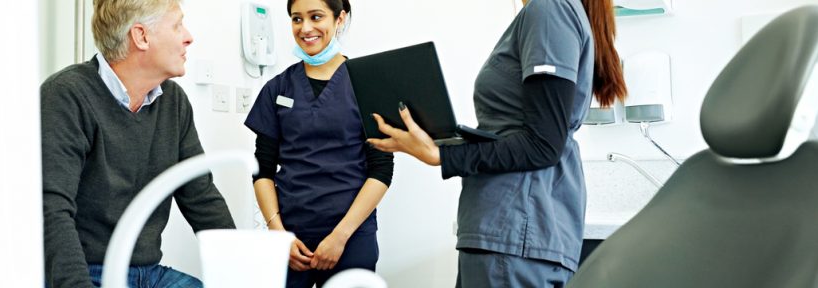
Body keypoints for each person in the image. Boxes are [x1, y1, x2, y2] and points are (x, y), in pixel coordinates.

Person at [367, 0, 627, 286]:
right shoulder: (550, 11)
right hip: (512, 230)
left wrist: (442, 155)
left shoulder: (550, 9)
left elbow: (542, 145)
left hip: (514, 230)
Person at [41, 0, 235, 287]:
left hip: (151, 274)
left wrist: (243, 267)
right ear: (141, 36)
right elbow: (52, 207)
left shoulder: (174, 102)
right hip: (89, 273)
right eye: (177, 25)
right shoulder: (67, 96)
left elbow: (202, 198)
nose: (188, 37)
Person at [243, 0, 394, 287]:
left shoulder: (368, 85)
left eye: (316, 17)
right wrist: (278, 233)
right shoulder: (278, 88)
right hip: (289, 236)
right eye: (296, 19)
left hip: (350, 236)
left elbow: (381, 171)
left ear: (340, 19)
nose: (305, 28)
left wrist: (340, 237)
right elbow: (262, 169)